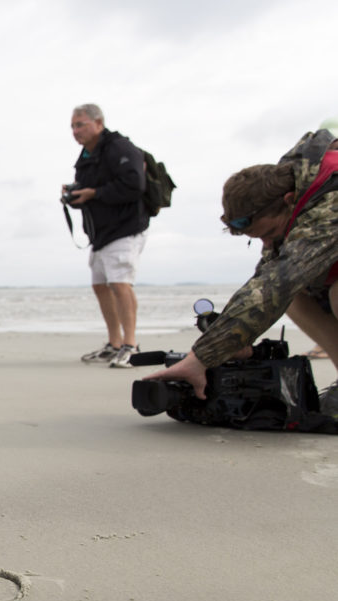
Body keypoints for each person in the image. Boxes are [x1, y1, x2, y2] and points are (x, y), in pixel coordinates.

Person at [146, 128, 338, 414]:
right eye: (258, 238)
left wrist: (200, 358)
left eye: (270, 232)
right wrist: (235, 341)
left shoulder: (330, 198)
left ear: (288, 201)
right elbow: (267, 280)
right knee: (295, 297)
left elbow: (279, 282)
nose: (268, 244)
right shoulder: (293, 187)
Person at [66, 104, 149, 368]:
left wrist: (95, 194)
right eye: (73, 126)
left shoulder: (119, 147)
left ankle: (131, 345)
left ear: (98, 123)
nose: (76, 131)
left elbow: (135, 184)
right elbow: (90, 191)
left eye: (80, 124)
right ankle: (114, 343)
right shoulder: (86, 156)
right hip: (101, 233)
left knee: (120, 283)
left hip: (126, 227)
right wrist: (75, 197)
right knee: (100, 285)